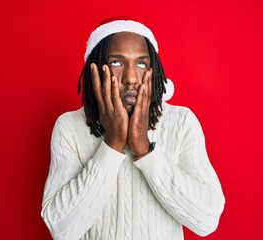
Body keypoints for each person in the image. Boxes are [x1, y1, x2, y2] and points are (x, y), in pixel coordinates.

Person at [41, 17, 225, 240]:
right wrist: (113, 144)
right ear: (97, 69)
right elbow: (61, 230)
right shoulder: (69, 127)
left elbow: (207, 220)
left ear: (153, 71)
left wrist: (145, 150)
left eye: (141, 64)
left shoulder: (181, 122)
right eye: (117, 62)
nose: (130, 78)